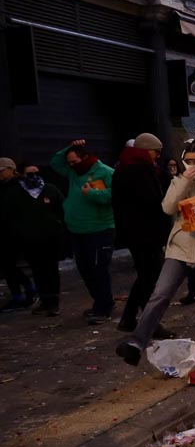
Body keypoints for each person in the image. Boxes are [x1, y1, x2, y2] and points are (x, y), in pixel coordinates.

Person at [116, 139, 195, 366]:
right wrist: (184, 181)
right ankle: (135, 343)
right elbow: (167, 207)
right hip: (180, 248)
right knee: (159, 296)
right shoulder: (178, 182)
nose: (193, 165)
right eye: (188, 161)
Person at [112, 133, 173, 334]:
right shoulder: (139, 169)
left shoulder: (123, 167)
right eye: (156, 152)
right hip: (146, 233)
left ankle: (129, 318)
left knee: (146, 276)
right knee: (150, 277)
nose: (157, 156)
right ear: (147, 150)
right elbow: (153, 200)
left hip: (134, 233)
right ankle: (149, 323)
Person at [50, 139, 115, 324]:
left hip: (99, 229)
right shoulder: (73, 172)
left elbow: (115, 195)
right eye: (69, 163)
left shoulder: (106, 172)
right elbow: (55, 162)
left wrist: (93, 194)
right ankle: (101, 302)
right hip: (77, 230)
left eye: (74, 162)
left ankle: (104, 308)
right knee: (85, 269)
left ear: (85, 158)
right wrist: (69, 147)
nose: (70, 166)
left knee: (98, 270)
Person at [2, 163, 64, 315]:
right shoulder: (15, 193)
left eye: (36, 173)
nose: (34, 177)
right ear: (21, 174)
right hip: (29, 241)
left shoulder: (50, 189)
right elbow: (9, 217)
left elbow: (62, 209)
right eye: (29, 174)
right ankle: (44, 300)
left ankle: (53, 302)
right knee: (37, 271)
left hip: (50, 239)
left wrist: (58, 228)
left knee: (51, 271)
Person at [0, 156, 37, 312]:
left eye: (1, 171)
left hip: (14, 233)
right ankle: (25, 291)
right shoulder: (6, 186)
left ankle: (22, 293)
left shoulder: (19, 186)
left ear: (10, 169)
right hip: (7, 231)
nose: (0, 174)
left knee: (8, 265)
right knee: (7, 265)